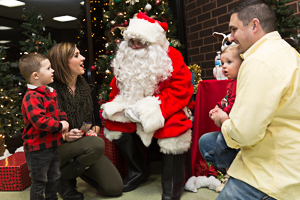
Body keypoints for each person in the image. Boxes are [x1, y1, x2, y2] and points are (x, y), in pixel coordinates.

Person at [210, 0, 300, 199]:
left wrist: (224, 121)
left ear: (254, 25)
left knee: (219, 143)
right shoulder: (288, 51)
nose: (231, 38)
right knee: (208, 143)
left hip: (272, 175)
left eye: (233, 30)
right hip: (291, 153)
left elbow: (244, 134)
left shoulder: (259, 60)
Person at [101, 12, 193, 200]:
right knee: (114, 121)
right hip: (132, 106)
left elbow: (181, 89)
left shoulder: (171, 56)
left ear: (152, 42)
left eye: (139, 42)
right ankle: (138, 170)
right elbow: (116, 88)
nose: (134, 46)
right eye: (131, 41)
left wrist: (152, 108)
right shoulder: (126, 58)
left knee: (174, 130)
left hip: (167, 106)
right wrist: (121, 105)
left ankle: (173, 183)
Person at [48, 42, 123, 200]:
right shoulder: (50, 91)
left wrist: (93, 131)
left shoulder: (88, 89)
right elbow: (42, 130)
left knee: (114, 188)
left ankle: (68, 174)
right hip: (57, 149)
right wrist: (65, 136)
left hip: (85, 146)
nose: (83, 58)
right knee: (97, 145)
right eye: (76, 56)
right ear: (63, 62)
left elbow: (96, 122)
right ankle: (62, 178)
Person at [19, 53, 69, 200]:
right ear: (36, 75)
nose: (52, 70)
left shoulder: (49, 93)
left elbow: (57, 111)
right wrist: (60, 125)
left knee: (54, 177)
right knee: (40, 181)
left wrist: (64, 120)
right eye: (48, 68)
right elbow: (39, 121)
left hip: (52, 145)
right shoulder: (31, 97)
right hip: (37, 149)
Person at [199, 44, 242, 192]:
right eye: (222, 63)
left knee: (221, 140)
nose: (224, 67)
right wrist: (218, 108)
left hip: (238, 128)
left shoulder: (240, 83)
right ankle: (228, 173)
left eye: (229, 62)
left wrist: (224, 113)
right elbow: (227, 100)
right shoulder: (231, 83)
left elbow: (234, 104)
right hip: (229, 124)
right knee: (207, 141)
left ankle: (230, 174)